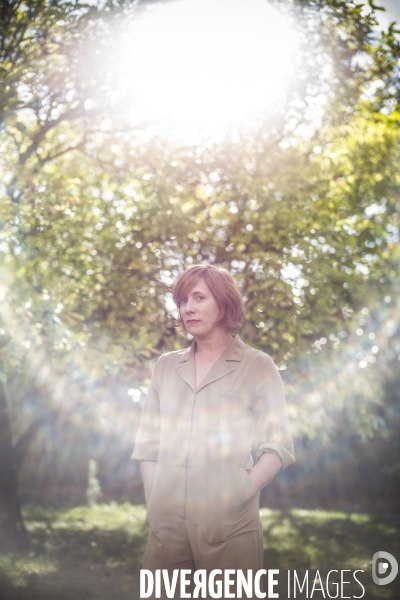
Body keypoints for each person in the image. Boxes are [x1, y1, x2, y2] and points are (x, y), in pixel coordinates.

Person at [131, 264, 295, 597]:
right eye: (183, 300)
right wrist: (154, 496)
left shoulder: (258, 365)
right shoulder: (165, 366)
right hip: (166, 526)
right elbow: (148, 443)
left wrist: (238, 493)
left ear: (223, 303)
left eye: (199, 297)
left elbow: (278, 444)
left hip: (230, 525)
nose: (188, 307)